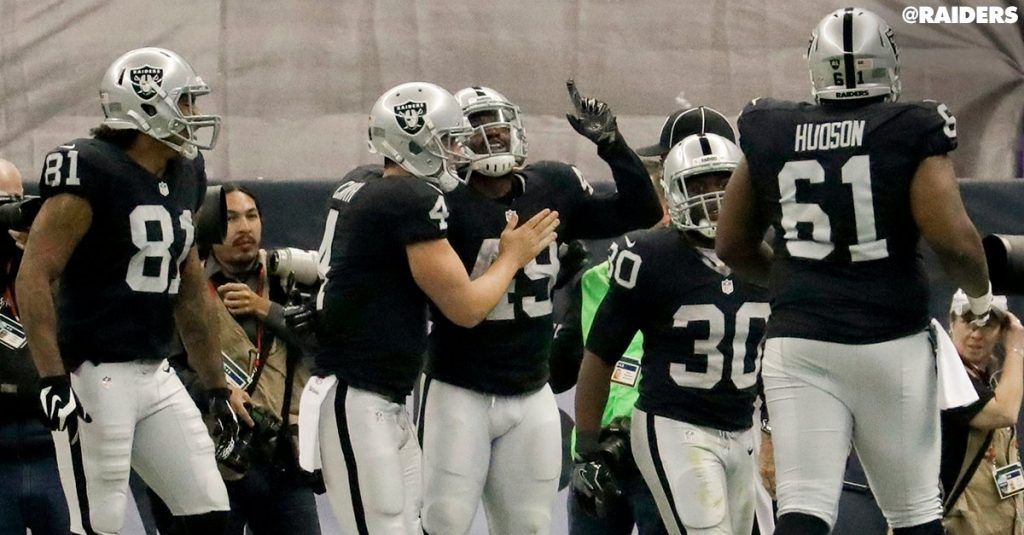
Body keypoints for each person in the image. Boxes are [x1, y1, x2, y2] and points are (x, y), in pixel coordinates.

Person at [715, 8, 992, 535]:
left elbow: (731, 243)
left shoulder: (771, 127)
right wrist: (979, 299)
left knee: (802, 505)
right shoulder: (911, 127)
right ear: (886, 65)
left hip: (800, 343)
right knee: (913, 512)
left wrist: (793, 285)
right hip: (890, 341)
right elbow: (954, 241)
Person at [304, 81, 559, 535]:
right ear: (414, 140)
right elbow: (466, 308)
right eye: (447, 140)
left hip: (381, 394)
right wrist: (512, 257)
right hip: (358, 394)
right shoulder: (411, 199)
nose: (459, 152)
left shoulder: (362, 184)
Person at [417, 83, 662, 535]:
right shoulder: (439, 205)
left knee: (529, 526)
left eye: (498, 127)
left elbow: (641, 211)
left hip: (531, 389)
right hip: (459, 387)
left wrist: (612, 144)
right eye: (478, 131)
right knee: (443, 521)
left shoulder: (551, 187)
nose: (493, 139)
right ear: (453, 142)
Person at [16, 47, 237, 534]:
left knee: (211, 515)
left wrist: (217, 385)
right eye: (185, 102)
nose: (194, 115)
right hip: (94, 377)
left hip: (155, 373)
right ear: (147, 107)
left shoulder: (185, 171)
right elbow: (35, 272)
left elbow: (191, 289)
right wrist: (52, 377)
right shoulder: (91, 169)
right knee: (101, 525)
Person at [577, 132, 769, 535]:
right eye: (698, 185)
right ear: (673, 194)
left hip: (741, 427)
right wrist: (587, 446)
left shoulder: (763, 253)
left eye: (722, 182)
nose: (713, 196)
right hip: (675, 423)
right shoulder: (650, 257)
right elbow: (599, 356)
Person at [0, 159, 70, 535]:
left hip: (52, 444)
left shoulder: (49, 265)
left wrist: (41, 253)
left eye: (17, 200)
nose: (11, 212)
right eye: (0, 203)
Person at [941, 290, 1024, 534]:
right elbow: (1005, 412)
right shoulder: (942, 374)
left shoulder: (992, 380)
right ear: (952, 322)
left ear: (1001, 331)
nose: (976, 334)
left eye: (988, 324)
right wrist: (1016, 349)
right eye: (968, 321)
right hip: (951, 524)